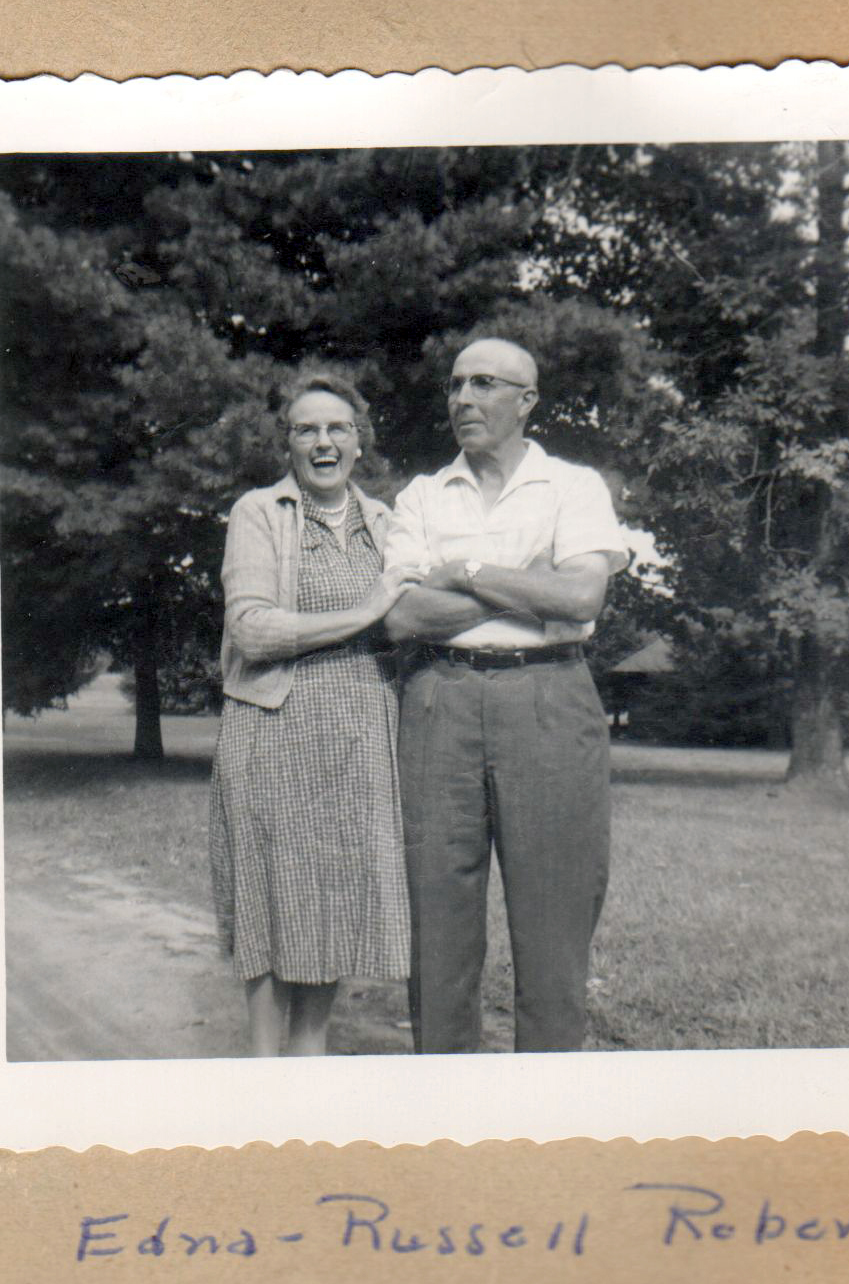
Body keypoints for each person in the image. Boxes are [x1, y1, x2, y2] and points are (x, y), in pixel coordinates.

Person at [380, 333, 629, 1052]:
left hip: (547, 700)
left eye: (485, 384)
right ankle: (445, 1121)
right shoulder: (422, 495)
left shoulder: (574, 487)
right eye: (456, 384)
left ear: (528, 402)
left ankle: (542, 1123)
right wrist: (529, 582)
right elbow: (403, 617)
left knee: (554, 924)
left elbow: (582, 596)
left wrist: (466, 568)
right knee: (438, 922)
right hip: (438, 702)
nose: (463, 399)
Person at [209, 370, 409, 1057]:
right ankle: (266, 1064)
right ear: (288, 443)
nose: (323, 442)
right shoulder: (260, 514)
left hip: (358, 735)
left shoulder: (388, 524)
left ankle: (309, 1054)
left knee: (333, 895)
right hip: (273, 729)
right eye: (306, 429)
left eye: (337, 428)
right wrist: (365, 612)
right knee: (271, 893)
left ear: (360, 442)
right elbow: (254, 631)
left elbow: (415, 619)